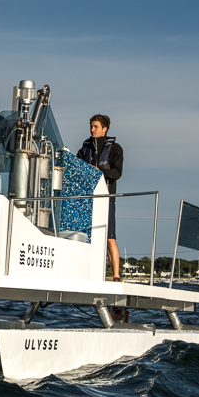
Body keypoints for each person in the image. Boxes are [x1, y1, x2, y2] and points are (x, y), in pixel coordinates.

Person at [77, 114, 124, 281]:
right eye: (91, 126)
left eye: (95, 126)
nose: (92, 129)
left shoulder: (116, 149)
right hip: (88, 200)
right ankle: (87, 273)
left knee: (110, 238)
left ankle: (116, 276)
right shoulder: (84, 149)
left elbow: (117, 173)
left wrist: (98, 170)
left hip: (106, 199)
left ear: (105, 129)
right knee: (85, 237)